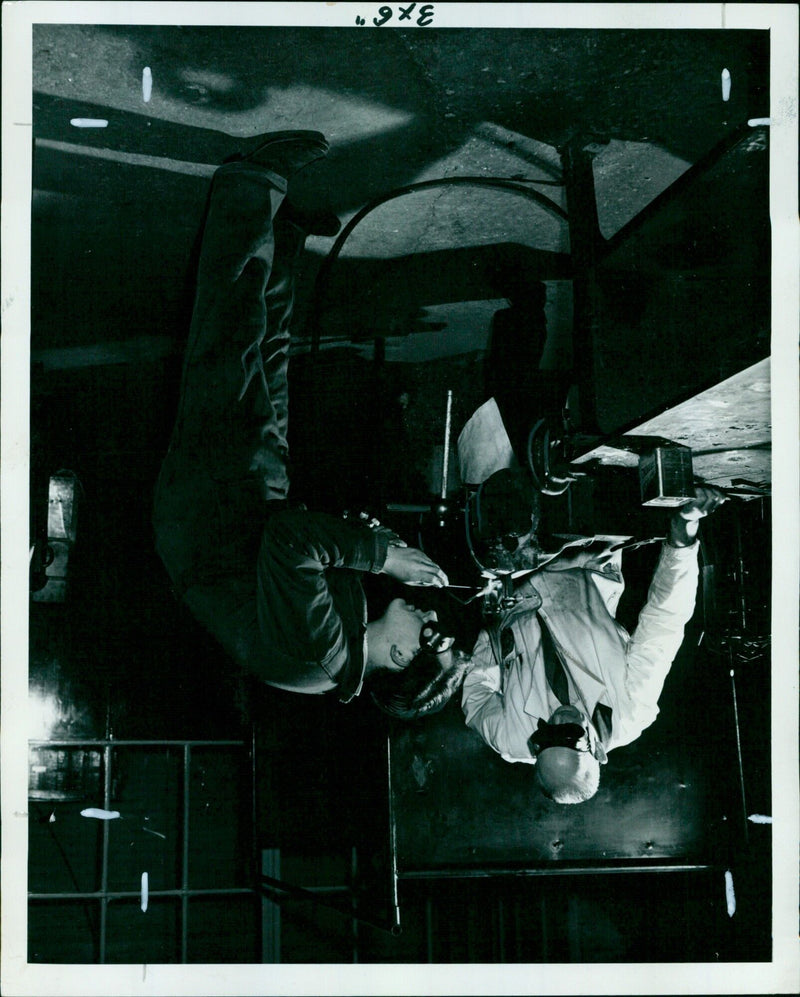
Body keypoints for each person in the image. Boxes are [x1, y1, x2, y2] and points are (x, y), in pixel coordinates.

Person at [153, 131, 465, 715]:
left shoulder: (320, 655)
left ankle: (250, 181)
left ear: (399, 658)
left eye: (431, 639)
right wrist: (363, 541)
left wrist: (379, 556)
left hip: (212, 511)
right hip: (245, 510)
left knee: (230, 337)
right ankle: (284, 232)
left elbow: (291, 544)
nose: (431, 618)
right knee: (268, 358)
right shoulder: (343, 647)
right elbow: (308, 556)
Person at [460, 485, 726, 804]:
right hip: (584, 559)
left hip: (510, 573)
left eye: (547, 736)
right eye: (570, 735)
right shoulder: (631, 712)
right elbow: (664, 622)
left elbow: (475, 696)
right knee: (578, 470)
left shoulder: (512, 740)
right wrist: (682, 538)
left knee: (490, 471)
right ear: (596, 750)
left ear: (535, 748)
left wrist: (498, 630)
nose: (558, 722)